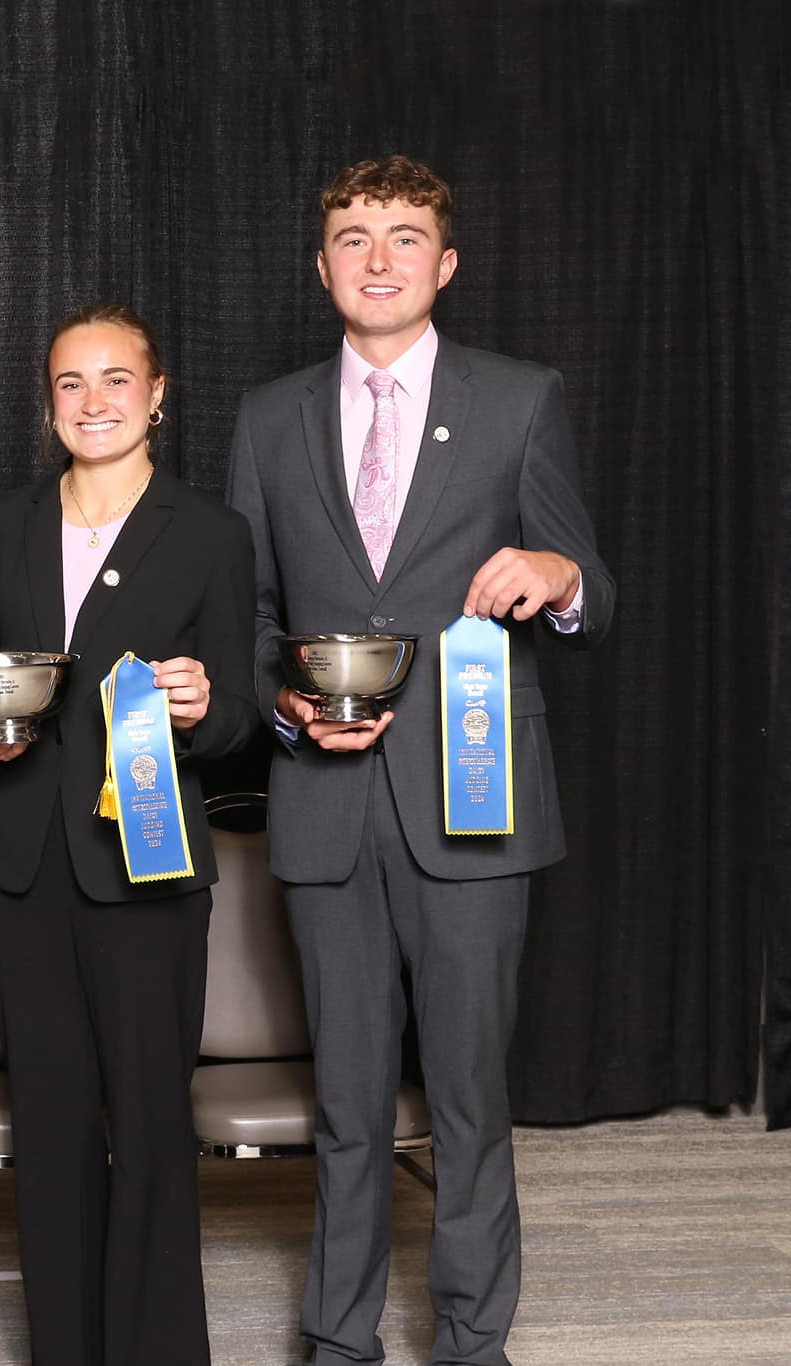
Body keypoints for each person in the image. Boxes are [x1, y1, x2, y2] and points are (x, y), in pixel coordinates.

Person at [224, 156, 614, 1365]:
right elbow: (242, 623)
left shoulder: (518, 397)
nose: (377, 257)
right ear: (323, 265)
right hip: (326, 807)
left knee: (464, 1097)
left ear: (442, 264)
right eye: (351, 236)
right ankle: (336, 1339)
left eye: (402, 237)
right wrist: (289, 709)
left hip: (475, 801)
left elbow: (592, 590)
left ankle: (468, 1336)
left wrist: (554, 577)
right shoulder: (266, 415)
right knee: (343, 1102)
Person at [0, 303, 257, 1364]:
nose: (92, 402)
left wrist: (199, 703)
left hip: (148, 864)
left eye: (114, 379)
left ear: (157, 393)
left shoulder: (211, 532)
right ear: (48, 404)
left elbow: (238, 721)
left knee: (150, 1121)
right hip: (25, 864)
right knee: (49, 1125)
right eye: (70, 384)